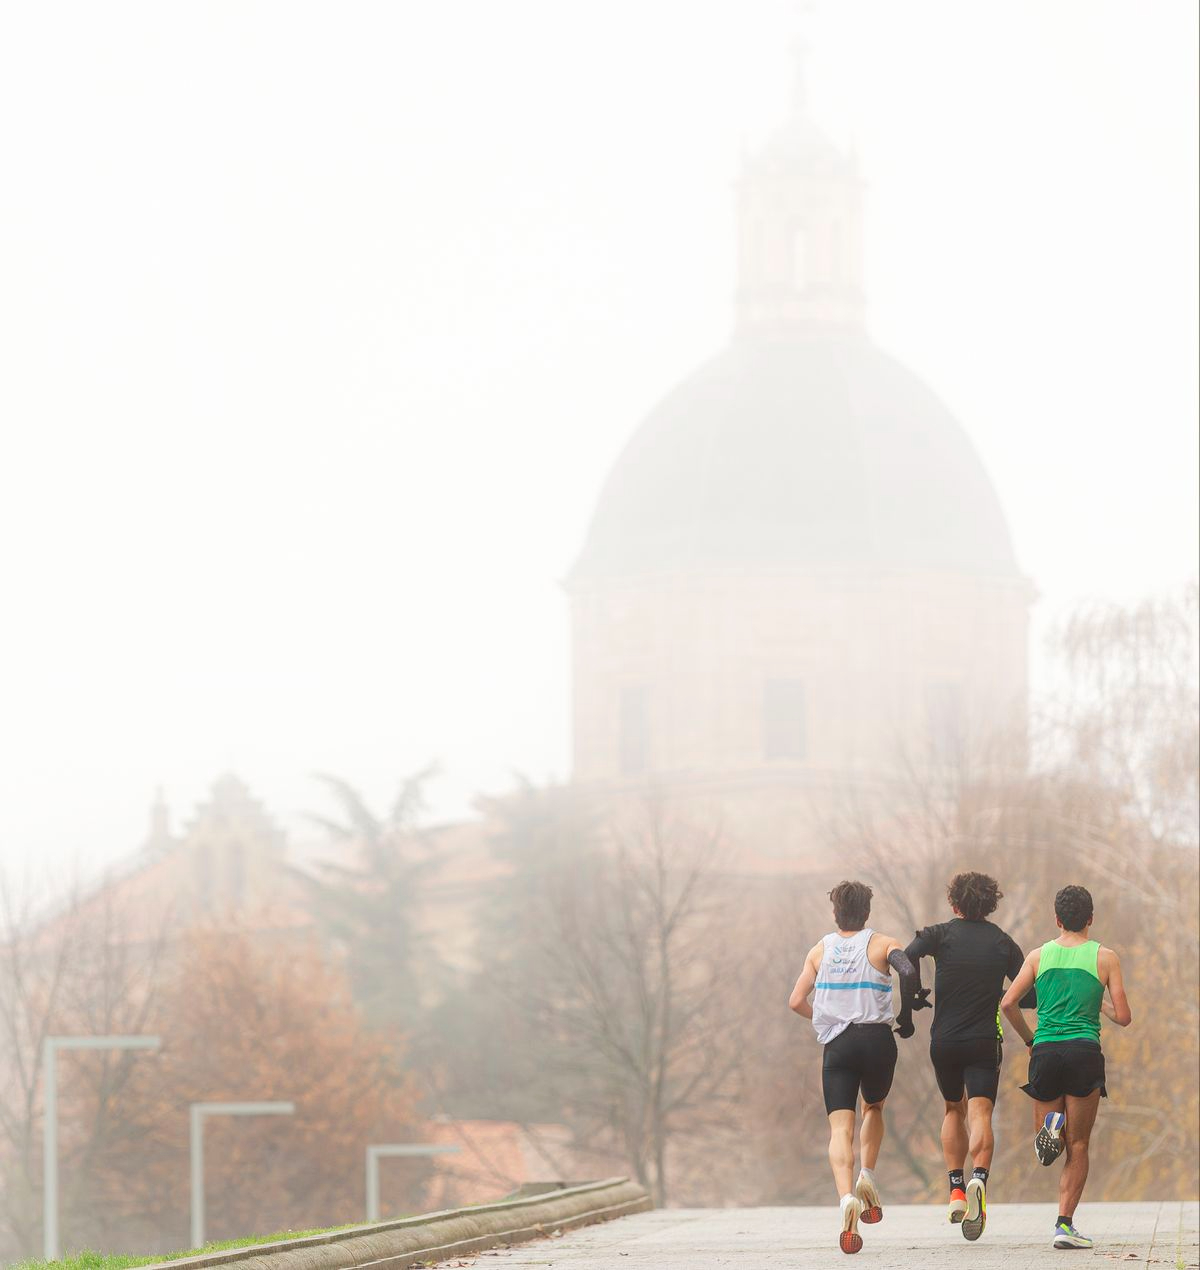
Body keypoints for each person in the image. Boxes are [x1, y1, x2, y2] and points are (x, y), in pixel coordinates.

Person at [903, 871, 1035, 1241]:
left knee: (952, 1109)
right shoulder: (1003, 943)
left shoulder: (939, 935)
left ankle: (957, 1191)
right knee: (980, 1113)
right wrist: (997, 992)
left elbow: (906, 956)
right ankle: (979, 1178)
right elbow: (1029, 995)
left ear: (953, 902)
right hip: (983, 1041)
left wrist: (914, 992)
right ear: (991, 903)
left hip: (944, 1041)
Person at [790, 879, 920, 1254]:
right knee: (873, 1107)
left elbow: (795, 1000)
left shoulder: (819, 951)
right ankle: (867, 1175)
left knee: (840, 1128)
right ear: (867, 911)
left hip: (838, 1045)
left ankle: (846, 1196)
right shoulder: (882, 944)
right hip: (877, 1041)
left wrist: (825, 1018)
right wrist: (906, 1014)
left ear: (836, 912)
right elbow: (908, 971)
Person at [1001, 884, 1132, 1251]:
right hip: (1084, 1052)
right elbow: (1124, 1016)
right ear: (1091, 918)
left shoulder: (1037, 956)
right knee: (1079, 1144)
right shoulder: (1106, 958)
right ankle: (1064, 1224)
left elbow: (1008, 1003)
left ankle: (1051, 1128)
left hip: (1045, 1051)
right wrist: (1101, 1003)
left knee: (1049, 1147)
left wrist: (1030, 1040)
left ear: (1057, 920)